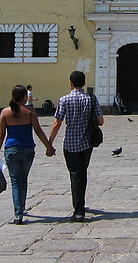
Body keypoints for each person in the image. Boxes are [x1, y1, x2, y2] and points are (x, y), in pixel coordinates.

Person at [0, 84, 56, 225]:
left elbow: (1, 134)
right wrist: (49, 147)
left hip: (11, 150)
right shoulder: (30, 112)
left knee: (15, 182)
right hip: (28, 150)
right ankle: (21, 206)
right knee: (23, 179)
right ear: (24, 97)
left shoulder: (5, 113)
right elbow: (38, 131)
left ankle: (18, 213)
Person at [49, 70, 104, 222]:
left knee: (75, 174)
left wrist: (49, 143)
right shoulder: (91, 99)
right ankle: (81, 204)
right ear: (84, 83)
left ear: (70, 83)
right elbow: (101, 121)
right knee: (82, 173)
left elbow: (57, 122)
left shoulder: (64, 100)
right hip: (87, 143)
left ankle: (78, 210)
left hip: (70, 144)